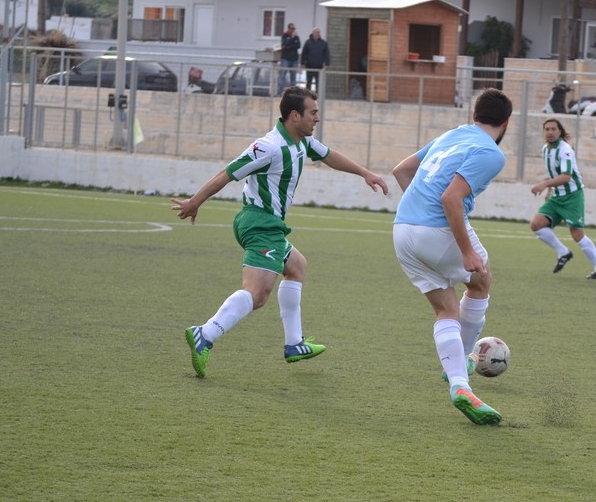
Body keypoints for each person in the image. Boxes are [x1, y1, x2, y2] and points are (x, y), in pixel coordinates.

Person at [173, 85, 388, 378]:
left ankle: (294, 343)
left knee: (296, 266)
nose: (317, 118)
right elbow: (228, 173)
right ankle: (206, 334)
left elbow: (329, 155)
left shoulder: (302, 141)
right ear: (294, 115)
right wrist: (195, 201)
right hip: (259, 222)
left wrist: (365, 172)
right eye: (313, 113)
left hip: (269, 224)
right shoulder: (269, 146)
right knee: (257, 293)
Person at [391, 88, 513, 425]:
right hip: (435, 228)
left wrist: (420, 210)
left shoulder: (452, 134)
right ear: (506, 123)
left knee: (446, 308)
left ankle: (459, 384)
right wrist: (466, 250)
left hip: (402, 229)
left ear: (474, 115)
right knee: (481, 281)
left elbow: (401, 170)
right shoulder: (491, 153)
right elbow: (450, 199)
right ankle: (465, 363)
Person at [530, 118, 596, 279]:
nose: (550, 132)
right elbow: (554, 173)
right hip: (557, 197)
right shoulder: (545, 149)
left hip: (572, 196)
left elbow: (566, 177)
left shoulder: (565, 149)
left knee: (577, 234)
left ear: (560, 131)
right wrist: (550, 189)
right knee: (536, 225)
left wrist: (544, 184)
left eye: (554, 129)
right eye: (547, 129)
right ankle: (563, 252)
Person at [300, 27, 330, 93]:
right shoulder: (308, 42)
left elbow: (326, 54)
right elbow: (304, 53)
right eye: (316, 32)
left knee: (318, 83)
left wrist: (327, 63)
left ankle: (317, 95)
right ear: (313, 33)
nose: (317, 34)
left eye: (318, 32)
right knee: (308, 82)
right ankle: (307, 96)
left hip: (319, 66)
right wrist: (302, 63)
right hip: (309, 66)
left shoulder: (323, 43)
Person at [279, 23, 301, 91]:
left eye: (294, 29)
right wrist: (291, 38)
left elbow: (298, 45)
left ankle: (293, 93)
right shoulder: (285, 35)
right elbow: (285, 44)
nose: (293, 30)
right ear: (288, 29)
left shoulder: (296, 37)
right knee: (282, 75)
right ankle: (280, 92)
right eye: (292, 28)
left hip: (294, 59)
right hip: (285, 59)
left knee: (293, 77)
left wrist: (289, 46)